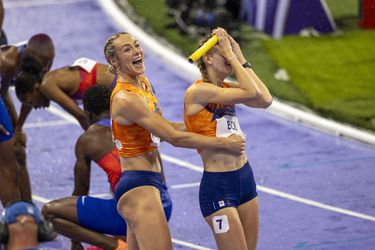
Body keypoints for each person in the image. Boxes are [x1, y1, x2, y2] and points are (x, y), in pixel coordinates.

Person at [105, 31, 245, 250]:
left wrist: (209, 128)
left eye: (136, 45)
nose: (136, 51)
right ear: (114, 61)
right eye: (127, 49)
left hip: (146, 182)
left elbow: (164, 127)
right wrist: (223, 143)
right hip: (139, 186)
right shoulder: (126, 98)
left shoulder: (142, 84)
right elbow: (174, 138)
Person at [42, 85, 172, 250]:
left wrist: (75, 241)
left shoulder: (88, 139)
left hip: (132, 212)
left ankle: (114, 246)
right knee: (124, 189)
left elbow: (81, 189)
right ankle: (126, 236)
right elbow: (160, 175)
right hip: (163, 208)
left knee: (50, 212)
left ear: (88, 114)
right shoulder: (134, 125)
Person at [184, 27, 273, 250]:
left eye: (228, 51)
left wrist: (240, 56)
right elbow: (252, 92)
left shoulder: (226, 88)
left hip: (245, 178)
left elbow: (265, 99)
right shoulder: (197, 92)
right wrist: (233, 58)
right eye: (221, 52)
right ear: (208, 58)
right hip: (219, 186)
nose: (227, 55)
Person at [0, 33, 55, 205]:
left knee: (17, 152)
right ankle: (15, 222)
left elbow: (28, 96)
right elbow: (3, 93)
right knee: (6, 163)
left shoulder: (45, 57)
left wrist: (18, 128)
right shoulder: (9, 62)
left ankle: (30, 215)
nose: (46, 69)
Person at [14, 57, 115, 130]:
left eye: (31, 103)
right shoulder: (51, 78)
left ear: (35, 89)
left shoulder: (46, 86)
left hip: (118, 86)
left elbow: (81, 116)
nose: (35, 107)